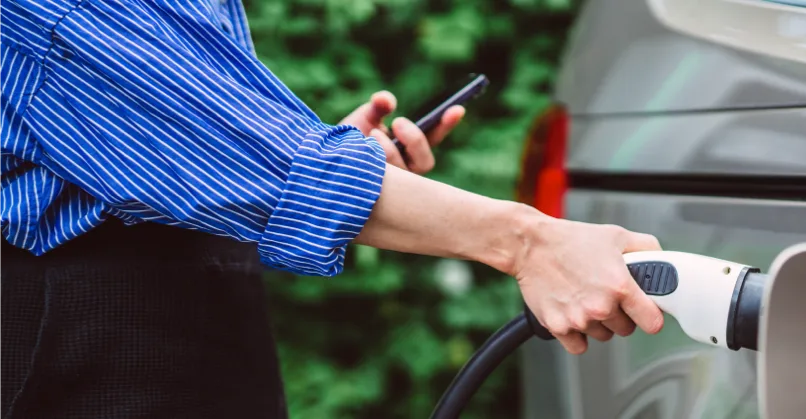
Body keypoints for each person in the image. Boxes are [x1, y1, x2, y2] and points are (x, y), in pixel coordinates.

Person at [0, 1, 664, 417]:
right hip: (81, 335)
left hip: (169, 316)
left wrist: (349, 170)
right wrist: (530, 241)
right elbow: (269, 164)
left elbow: (199, 144)